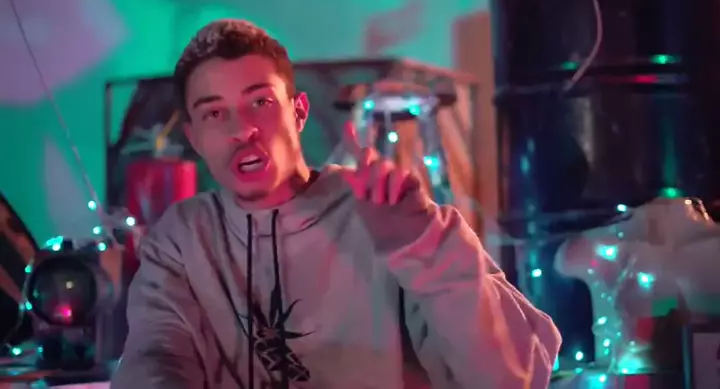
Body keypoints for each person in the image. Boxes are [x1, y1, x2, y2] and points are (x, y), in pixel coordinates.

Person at [111, 19, 561, 389]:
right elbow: (155, 357)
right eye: (214, 113)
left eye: (261, 102)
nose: (242, 129)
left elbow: (511, 378)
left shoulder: (383, 212)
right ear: (193, 137)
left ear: (299, 112)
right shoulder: (182, 240)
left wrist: (424, 247)